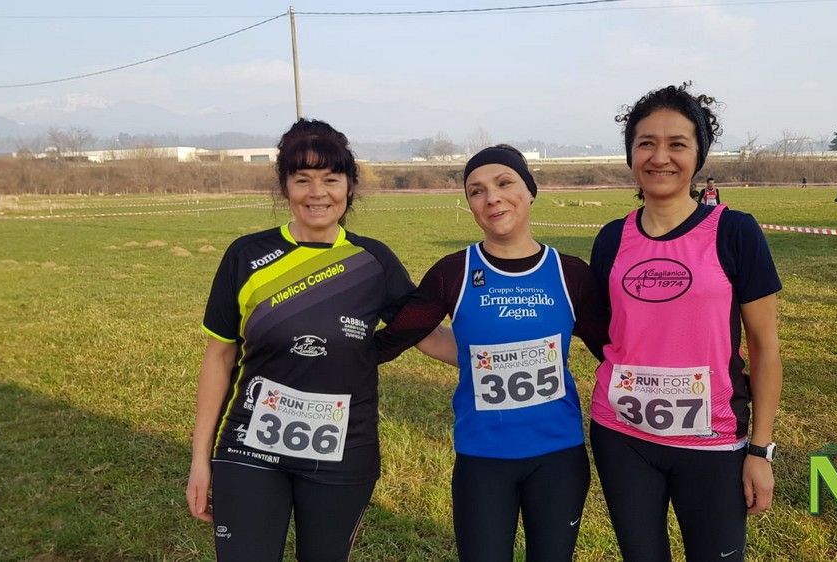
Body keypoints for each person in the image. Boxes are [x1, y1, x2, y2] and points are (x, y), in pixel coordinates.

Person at [186, 118, 454, 562]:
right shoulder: (246, 256)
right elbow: (218, 357)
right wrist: (200, 459)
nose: (317, 193)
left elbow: (428, 336)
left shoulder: (373, 261)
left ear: (349, 186)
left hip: (344, 455)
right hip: (250, 447)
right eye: (302, 179)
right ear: (284, 187)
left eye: (331, 179)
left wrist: (503, 353)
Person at [376, 145, 610, 562]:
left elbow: (613, 350)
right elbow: (404, 333)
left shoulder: (570, 273)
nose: (492, 198)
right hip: (482, 458)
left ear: (530, 190)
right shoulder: (454, 271)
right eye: (476, 191)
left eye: (504, 183)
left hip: (558, 456)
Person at [589, 83, 784, 562]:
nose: (660, 157)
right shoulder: (611, 239)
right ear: (631, 154)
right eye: (646, 143)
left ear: (698, 155)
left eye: (677, 143)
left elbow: (765, 348)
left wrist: (759, 451)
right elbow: (605, 333)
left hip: (712, 442)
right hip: (622, 437)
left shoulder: (735, 231)